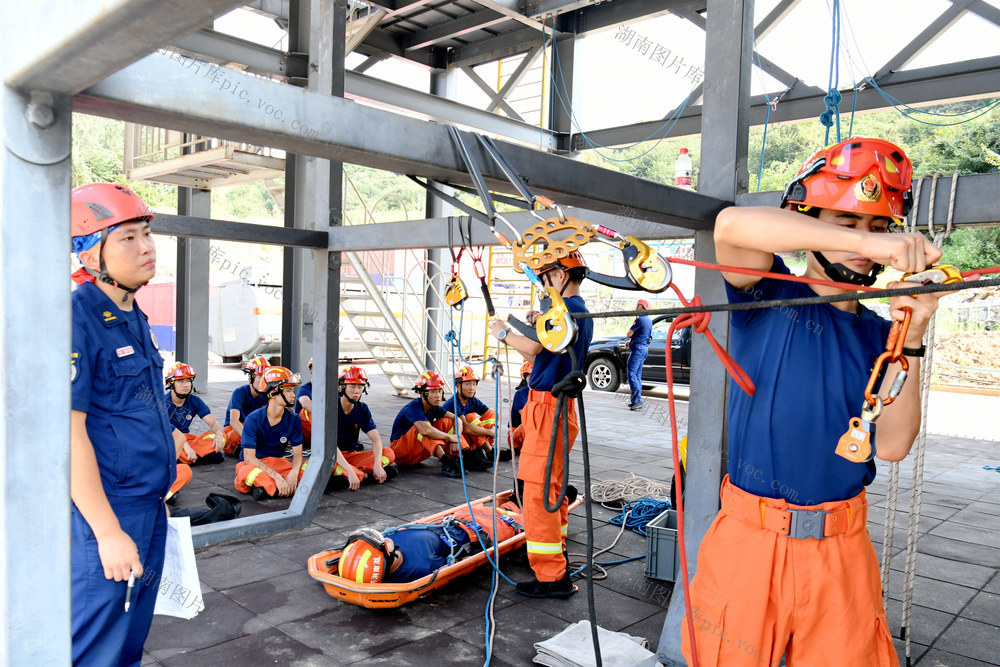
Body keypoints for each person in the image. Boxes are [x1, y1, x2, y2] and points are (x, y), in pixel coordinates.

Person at [681, 137, 941, 666]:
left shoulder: (880, 335)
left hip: (840, 550)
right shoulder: (766, 293)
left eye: (877, 227)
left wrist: (912, 333)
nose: (861, 241)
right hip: (749, 542)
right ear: (809, 224)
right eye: (845, 225)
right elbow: (731, 225)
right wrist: (878, 247)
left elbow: (891, 446)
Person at [69, 183, 175, 665]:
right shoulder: (76, 319)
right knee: (95, 645)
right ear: (92, 254)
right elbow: (67, 436)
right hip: (105, 516)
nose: (147, 246)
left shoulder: (133, 317)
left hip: (148, 509)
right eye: (127, 237)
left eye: (146, 233)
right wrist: (109, 532)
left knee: (129, 640)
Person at [488, 250, 594, 599]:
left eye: (545, 277)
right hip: (554, 409)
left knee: (537, 493)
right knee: (553, 487)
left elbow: (533, 348)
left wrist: (502, 333)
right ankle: (556, 555)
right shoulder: (577, 312)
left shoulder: (566, 310)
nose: (543, 284)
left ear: (561, 276)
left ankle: (551, 576)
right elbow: (542, 350)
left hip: (549, 410)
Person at [338, 498, 525, 583]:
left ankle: (515, 503)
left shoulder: (388, 546)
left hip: (455, 520)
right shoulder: (422, 567)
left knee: (509, 506)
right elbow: (457, 563)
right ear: (386, 550)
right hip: (476, 533)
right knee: (522, 520)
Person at [234, 366, 310, 500]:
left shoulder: (294, 419)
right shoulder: (253, 419)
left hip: (278, 463)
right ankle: (282, 487)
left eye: (292, 390)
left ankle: (267, 489)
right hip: (254, 464)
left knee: (309, 468)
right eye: (288, 390)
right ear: (273, 392)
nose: (293, 395)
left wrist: (294, 471)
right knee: (244, 472)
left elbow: (298, 456)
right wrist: (277, 477)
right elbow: (249, 459)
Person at [388, 371, 483, 478]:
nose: (438, 395)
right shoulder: (413, 407)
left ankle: (468, 456)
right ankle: (447, 463)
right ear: (423, 393)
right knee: (423, 428)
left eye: (439, 391)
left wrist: (455, 437)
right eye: (433, 392)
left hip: (417, 454)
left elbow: (457, 420)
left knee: (447, 421)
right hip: (401, 453)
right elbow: (426, 431)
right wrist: (450, 437)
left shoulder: (434, 407)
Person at [327, 365, 398, 489]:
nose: (356, 391)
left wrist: (377, 465)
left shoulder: (362, 409)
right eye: (352, 386)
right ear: (342, 387)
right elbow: (330, 446)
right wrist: (349, 470)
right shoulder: (330, 407)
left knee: (388, 453)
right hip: (331, 457)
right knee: (319, 467)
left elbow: (376, 440)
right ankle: (364, 476)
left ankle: (351, 476)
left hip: (351, 456)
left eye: (360, 386)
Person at [165, 362, 225, 465]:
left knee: (221, 437)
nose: (186, 385)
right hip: (169, 440)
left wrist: (219, 435)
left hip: (187, 439)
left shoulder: (195, 401)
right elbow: (165, 431)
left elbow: (213, 424)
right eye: (181, 381)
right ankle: (193, 457)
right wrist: (185, 445)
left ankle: (186, 458)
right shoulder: (161, 403)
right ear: (170, 383)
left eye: (188, 380)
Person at [441, 365, 497, 467]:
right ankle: (474, 455)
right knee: (470, 417)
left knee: (491, 413)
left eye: (474, 384)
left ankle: (482, 449)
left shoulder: (472, 400)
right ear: (458, 385)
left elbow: (491, 413)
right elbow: (466, 428)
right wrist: (490, 432)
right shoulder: (453, 403)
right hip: (452, 445)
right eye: (467, 384)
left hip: (467, 440)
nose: (472, 388)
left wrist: (494, 428)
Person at [222, 356, 270, 456]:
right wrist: (251, 441)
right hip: (236, 429)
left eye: (266, 377)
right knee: (234, 435)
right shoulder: (239, 392)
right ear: (250, 377)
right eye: (260, 377)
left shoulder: (269, 394)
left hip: (254, 430)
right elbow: (234, 421)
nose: (263, 381)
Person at [625, 298, 652, 410]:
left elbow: (629, 333)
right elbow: (642, 334)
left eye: (638, 305)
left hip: (638, 349)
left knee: (631, 374)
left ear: (642, 307)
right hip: (644, 348)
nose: (636, 307)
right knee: (637, 375)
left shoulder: (640, 320)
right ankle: (636, 400)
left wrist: (630, 338)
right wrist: (631, 341)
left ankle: (637, 400)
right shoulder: (649, 320)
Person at [506, 360, 533, 456]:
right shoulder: (521, 394)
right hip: (516, 433)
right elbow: (525, 415)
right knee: (528, 424)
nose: (533, 379)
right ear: (525, 378)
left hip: (531, 432)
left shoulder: (541, 394)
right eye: (530, 376)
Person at [296, 357, 314, 447]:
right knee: (307, 410)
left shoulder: (332, 390)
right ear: (311, 371)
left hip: (327, 433)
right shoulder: (305, 389)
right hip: (305, 434)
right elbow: (305, 403)